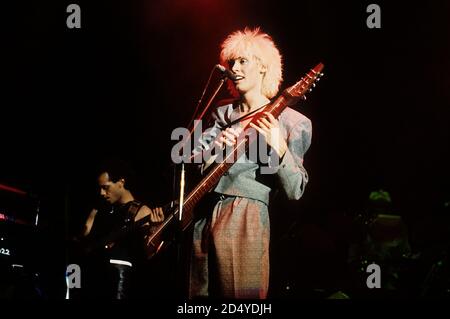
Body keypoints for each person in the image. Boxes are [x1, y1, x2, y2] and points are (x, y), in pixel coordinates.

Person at [188, 27, 312, 299]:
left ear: (264, 68)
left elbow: (296, 189)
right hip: (204, 216)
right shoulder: (221, 112)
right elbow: (193, 163)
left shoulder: (293, 121)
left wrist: (280, 147)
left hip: (246, 215)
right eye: (231, 62)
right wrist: (213, 151)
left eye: (243, 61)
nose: (234, 67)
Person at [79, 159, 164, 299]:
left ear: (121, 182)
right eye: (100, 188)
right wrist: (94, 211)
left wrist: (154, 228)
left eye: (106, 187)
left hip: (119, 282)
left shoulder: (141, 211)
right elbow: (84, 234)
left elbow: (150, 251)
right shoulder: (103, 209)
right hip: (95, 278)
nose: (101, 192)